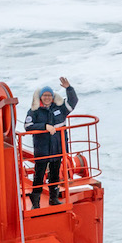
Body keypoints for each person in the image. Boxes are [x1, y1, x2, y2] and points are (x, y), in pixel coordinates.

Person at [23, 76, 78, 208]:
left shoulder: (60, 108)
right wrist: (44, 126)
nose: (47, 97)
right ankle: (35, 202)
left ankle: (53, 198)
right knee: (39, 176)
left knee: (54, 175)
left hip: (57, 148)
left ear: (52, 97)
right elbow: (27, 126)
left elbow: (73, 101)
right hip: (42, 149)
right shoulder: (34, 111)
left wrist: (69, 88)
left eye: (49, 95)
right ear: (41, 97)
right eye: (44, 95)